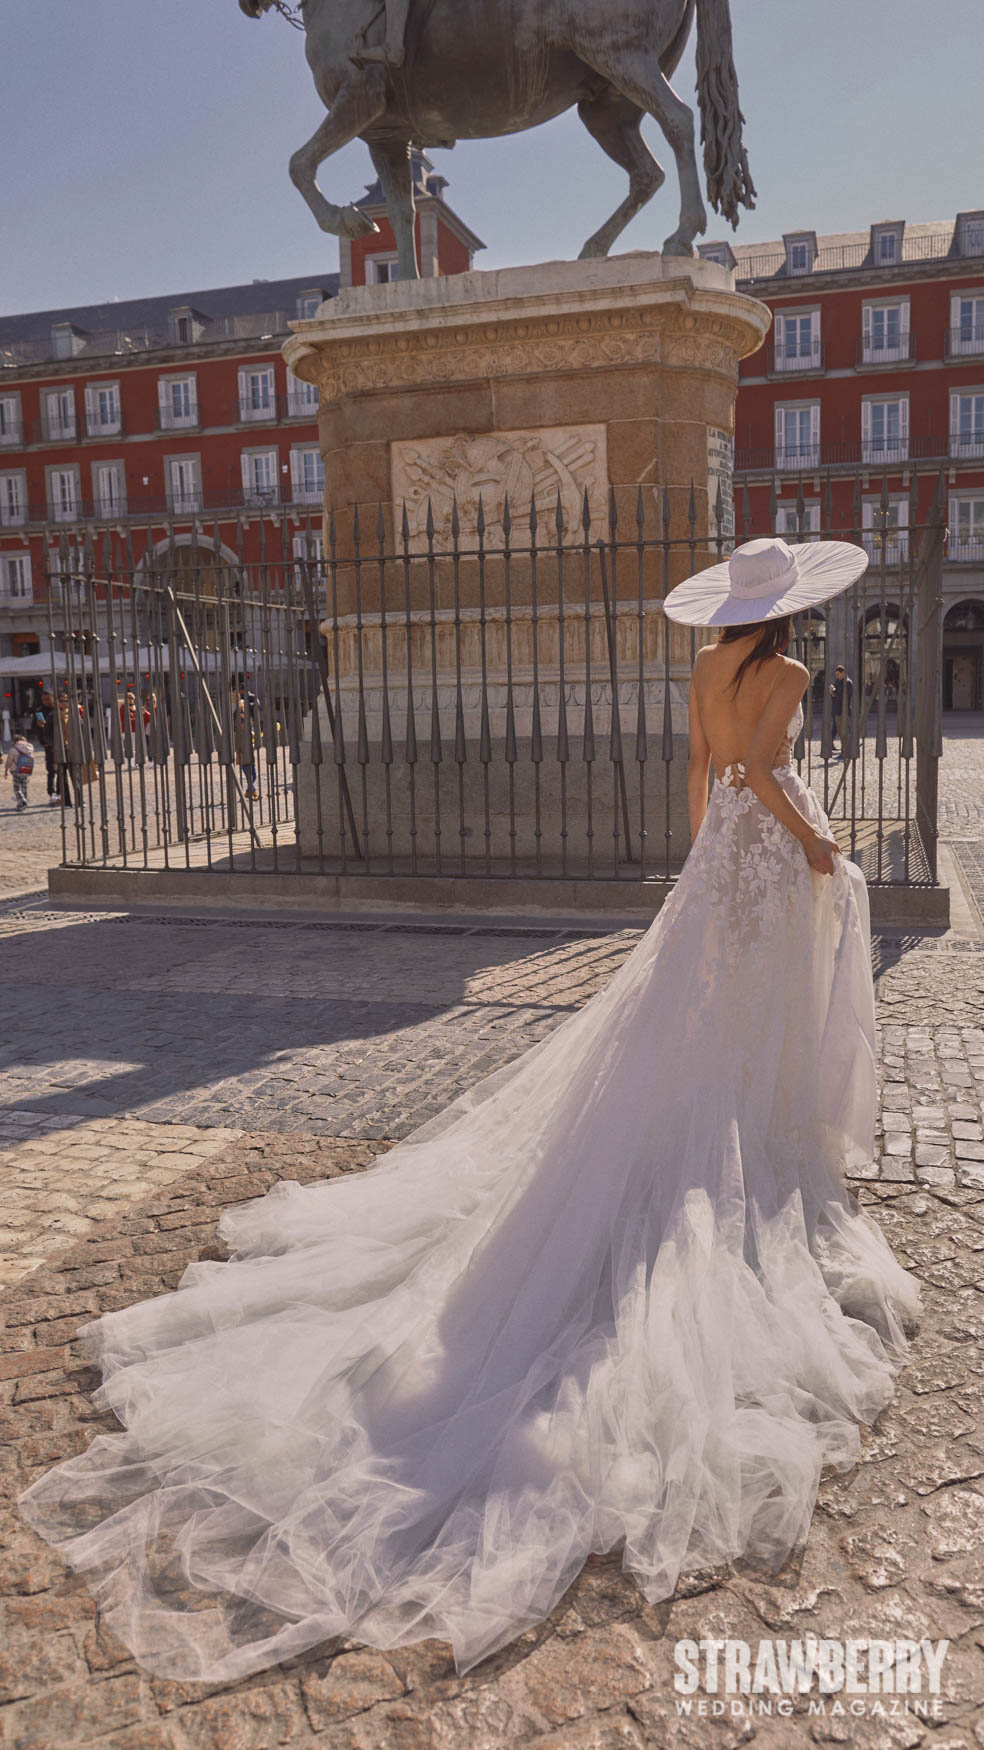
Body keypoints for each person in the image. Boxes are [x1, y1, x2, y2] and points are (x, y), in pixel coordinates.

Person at [19, 537, 921, 1686]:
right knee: (742, 1034)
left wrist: (703, 861)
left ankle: (691, 1143)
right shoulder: (787, 676)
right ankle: (733, 1158)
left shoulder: (700, 670)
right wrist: (817, 849)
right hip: (765, 859)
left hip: (711, 869)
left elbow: (702, 775)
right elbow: (781, 781)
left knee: (688, 1031)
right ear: (791, 606)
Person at [35, 688, 60, 805]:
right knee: (51, 770)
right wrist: (39, 726)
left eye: (47, 699)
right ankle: (52, 793)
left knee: (62, 769)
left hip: (60, 743)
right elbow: (35, 729)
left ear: (53, 698)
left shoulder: (58, 710)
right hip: (48, 745)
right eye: (43, 699)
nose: (45, 701)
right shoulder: (40, 711)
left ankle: (61, 792)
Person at [829, 663, 854, 758]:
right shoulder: (838, 681)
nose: (837, 676)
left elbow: (841, 695)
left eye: (838, 674)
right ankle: (845, 750)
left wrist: (832, 692)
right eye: (836, 675)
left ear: (843, 673)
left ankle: (845, 752)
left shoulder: (847, 682)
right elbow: (835, 695)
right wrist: (833, 693)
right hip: (837, 710)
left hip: (844, 711)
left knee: (844, 732)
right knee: (840, 731)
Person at [4, 731, 34, 809]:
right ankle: (23, 802)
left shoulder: (13, 750)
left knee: (16, 788)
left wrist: (6, 771)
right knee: (24, 787)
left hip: (16, 771)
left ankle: (22, 802)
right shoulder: (30, 747)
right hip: (27, 770)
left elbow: (9, 761)